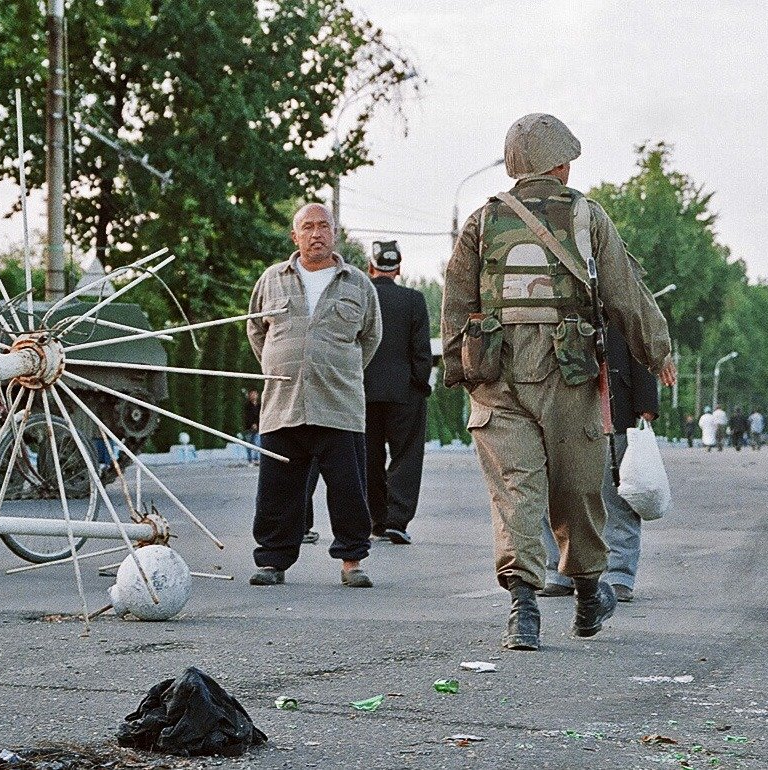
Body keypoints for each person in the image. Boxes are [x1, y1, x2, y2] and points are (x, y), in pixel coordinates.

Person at [441, 113, 676, 650]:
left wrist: (459, 370)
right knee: (577, 489)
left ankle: (523, 613)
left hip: (496, 377)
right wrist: (656, 350)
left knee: (516, 493)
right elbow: (625, 294)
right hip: (569, 373)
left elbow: (457, 301)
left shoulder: (482, 219)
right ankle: (589, 595)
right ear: (561, 165)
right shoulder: (588, 216)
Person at [246, 203, 382, 588]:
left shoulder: (357, 283)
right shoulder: (272, 280)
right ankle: (273, 562)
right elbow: (257, 331)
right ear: (295, 236)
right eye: (308, 227)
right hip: (283, 403)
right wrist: (281, 366)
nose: (316, 234)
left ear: (334, 234)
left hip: (338, 403)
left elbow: (370, 338)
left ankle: (352, 562)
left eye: (323, 226)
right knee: (277, 490)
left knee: (347, 488)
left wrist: (336, 367)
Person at [538, 325, 659, 602]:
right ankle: (559, 570)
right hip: (559, 404)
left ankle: (619, 574)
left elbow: (638, 328)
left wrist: (645, 400)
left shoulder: (616, 285)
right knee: (555, 493)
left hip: (613, 405)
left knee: (615, 496)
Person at [361, 240, 432, 545]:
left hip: (362, 391)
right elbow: (421, 351)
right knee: (406, 455)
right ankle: (397, 520)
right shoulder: (414, 300)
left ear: (370, 267)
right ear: (399, 269)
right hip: (405, 391)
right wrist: (419, 382)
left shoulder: (362, 297)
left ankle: (376, 519)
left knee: (368, 457)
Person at [242, 389, 261, 465]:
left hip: (258, 428)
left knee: (257, 443)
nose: (253, 395)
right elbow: (246, 417)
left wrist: (257, 424)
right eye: (252, 394)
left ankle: (256, 459)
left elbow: (261, 416)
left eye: (255, 394)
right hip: (249, 428)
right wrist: (252, 424)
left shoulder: (259, 405)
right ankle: (250, 460)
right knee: (249, 444)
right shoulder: (247, 406)